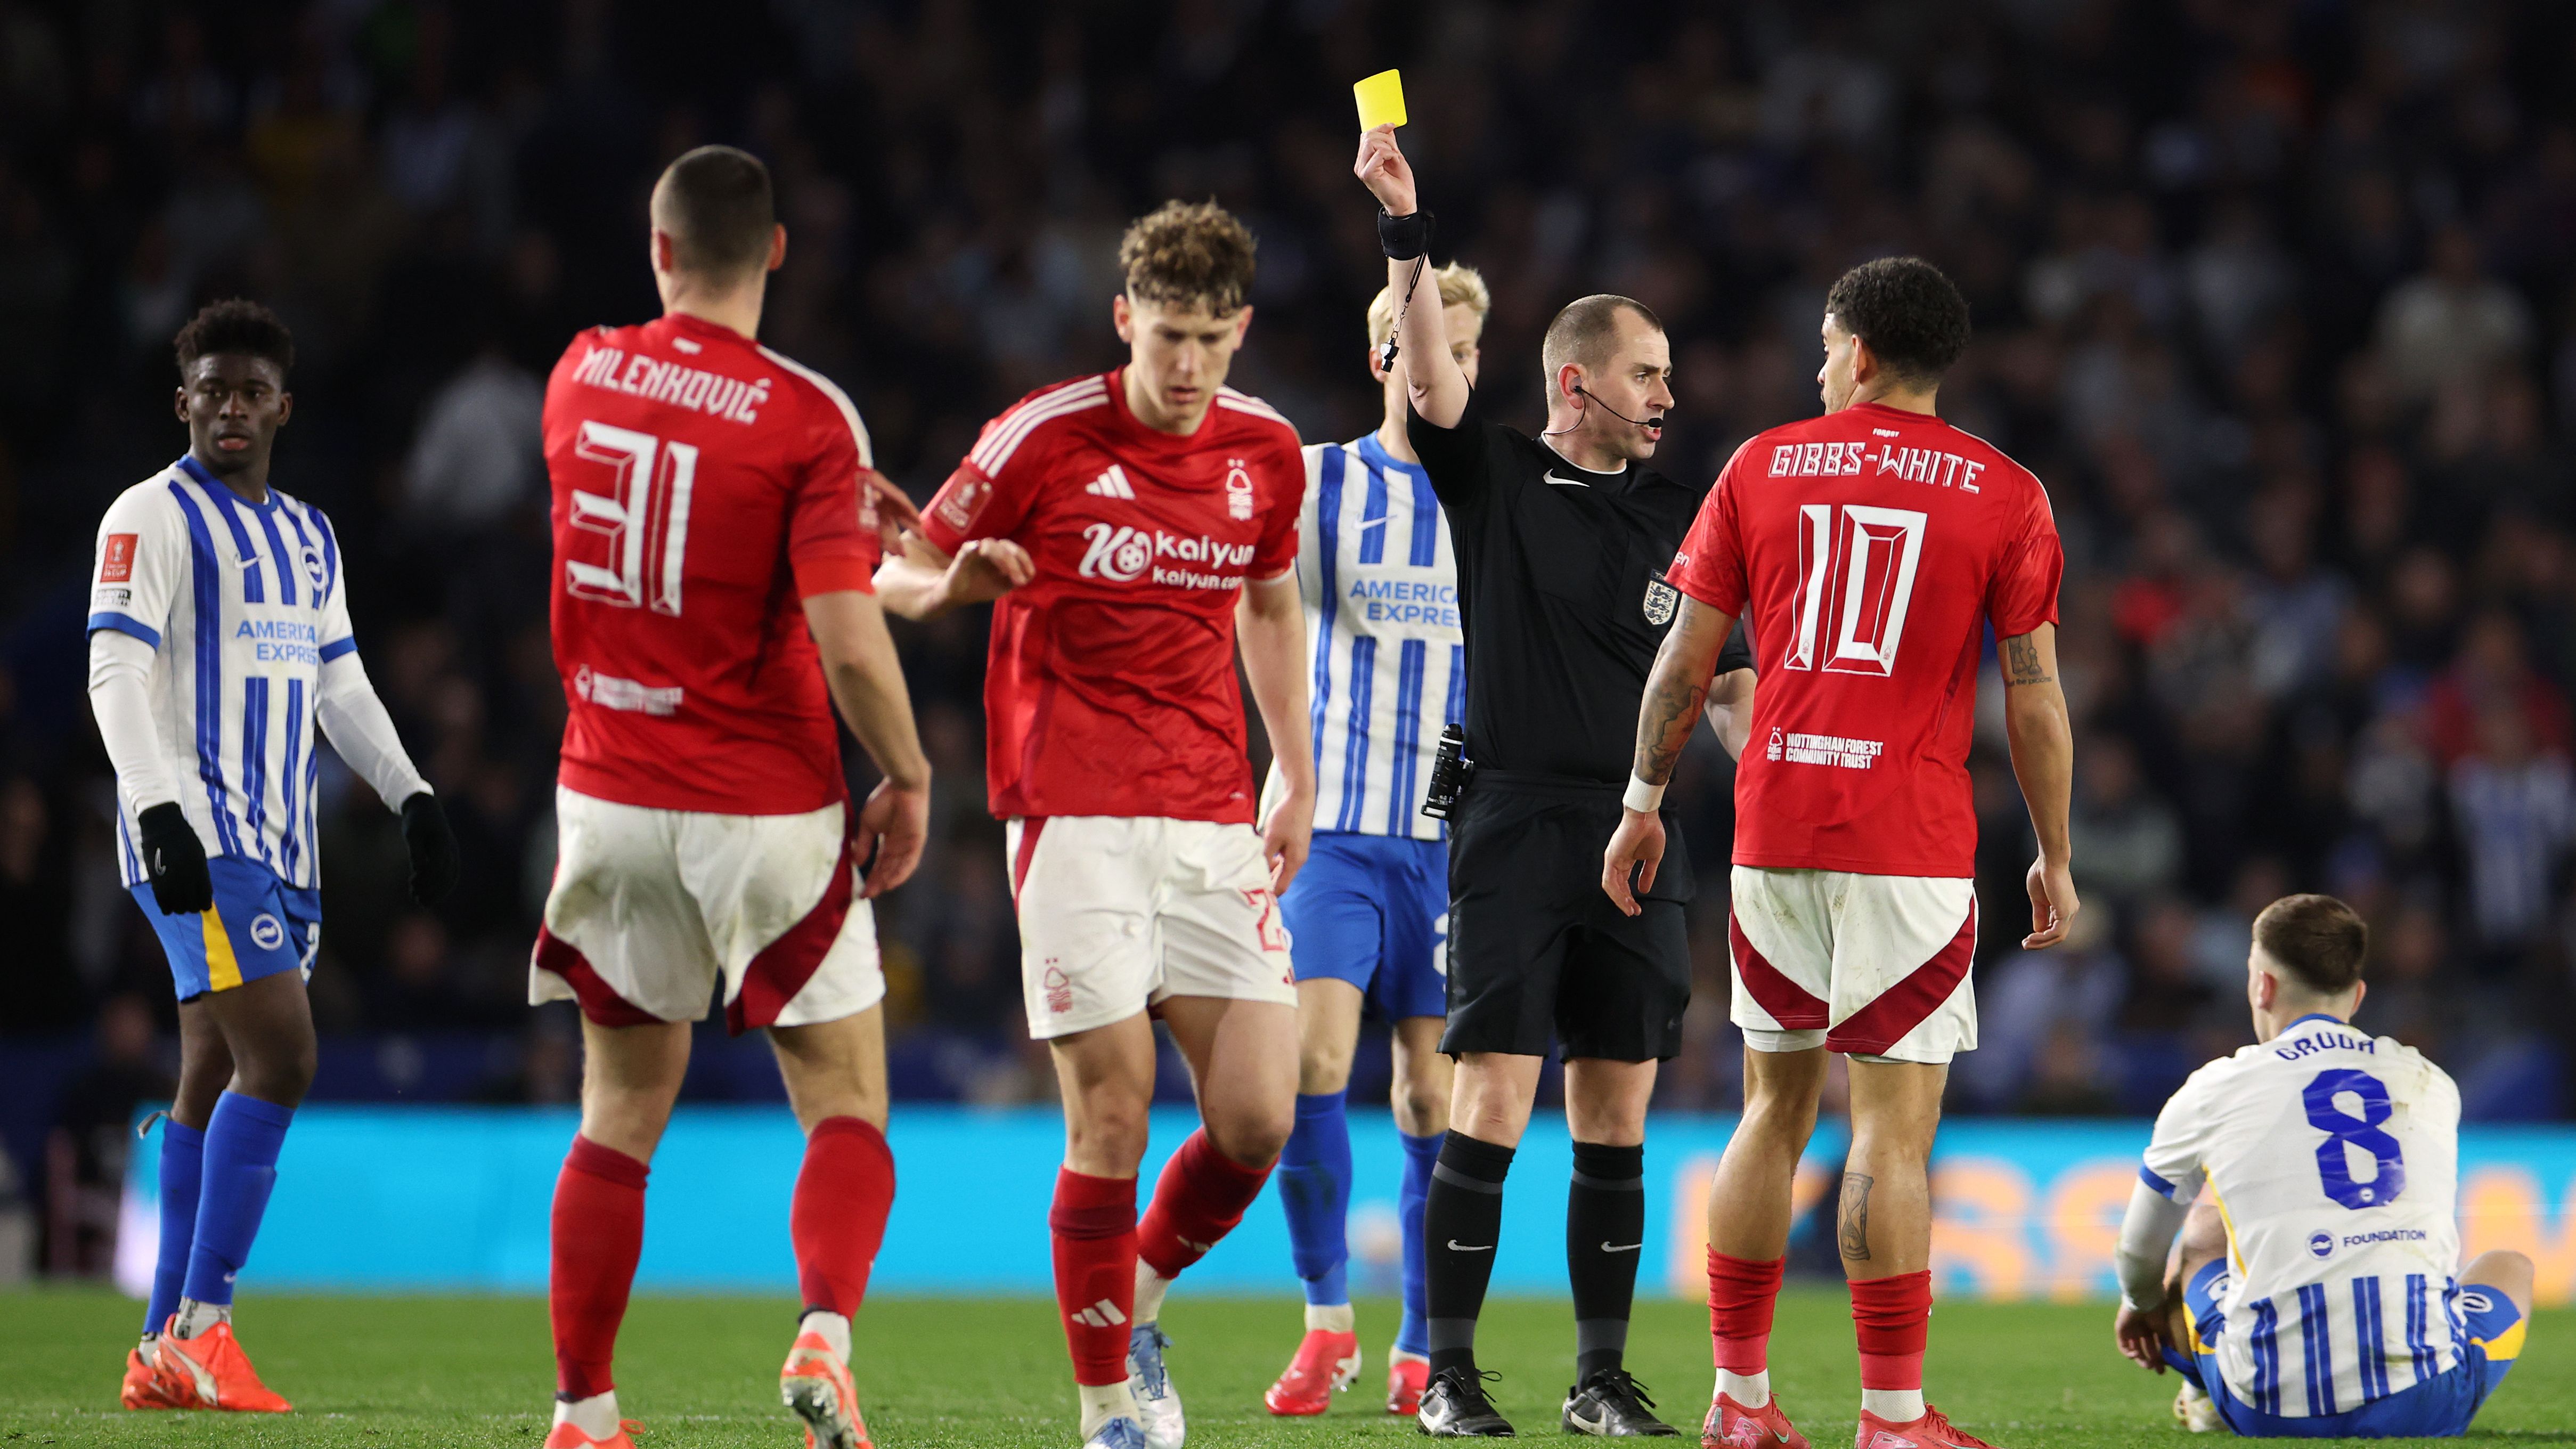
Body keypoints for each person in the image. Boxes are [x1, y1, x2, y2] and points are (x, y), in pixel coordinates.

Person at [1605, 256, 2075, 1449]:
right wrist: (2055, 852)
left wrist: (1643, 799)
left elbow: (1685, 664)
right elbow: (2034, 694)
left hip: (1776, 826)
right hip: (1910, 839)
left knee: (1772, 1108)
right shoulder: (2005, 491)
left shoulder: (1759, 465)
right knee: (1891, 1126)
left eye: (1825, 345)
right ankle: (1893, 1417)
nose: (1819, 367)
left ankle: (1740, 1403)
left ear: (1860, 353)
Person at [876, 199, 1315, 1449]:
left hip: (1213, 812)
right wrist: (947, 585)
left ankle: (1137, 1303)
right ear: (1123, 318)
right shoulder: (1039, 436)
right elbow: (890, 565)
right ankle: (1108, 1409)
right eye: (1166, 335)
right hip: (1070, 812)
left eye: (1211, 340)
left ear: (1240, 332)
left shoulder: (1266, 450)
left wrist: (1295, 770)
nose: (1186, 367)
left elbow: (1271, 607)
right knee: (1110, 1115)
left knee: (1254, 1119)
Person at [527, 145, 933, 1449]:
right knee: (844, 1099)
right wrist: (911, 772)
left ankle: (583, 1408)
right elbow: (845, 629)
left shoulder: (577, 373)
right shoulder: (807, 417)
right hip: (762, 800)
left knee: (617, 1114)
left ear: (657, 251)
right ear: (772, 251)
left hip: (606, 793)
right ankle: (822, 1331)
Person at [1354, 125, 1753, 1437]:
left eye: (1668, 375)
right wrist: (1405, 232)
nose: (1665, 394)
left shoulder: (1685, 517)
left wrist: (1795, 806)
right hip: (1516, 819)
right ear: (1572, 381)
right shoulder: (1496, 477)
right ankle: (1450, 1377)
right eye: (1645, 373)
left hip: (1638, 837)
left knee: (1616, 1112)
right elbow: (1422, 369)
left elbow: (1733, 690)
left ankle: (1595, 1377)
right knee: (1489, 1096)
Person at [88, 299, 456, 1413]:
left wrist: (412, 792)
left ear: (282, 406)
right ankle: (205, 1330)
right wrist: (158, 813)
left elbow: (339, 683)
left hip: (281, 842)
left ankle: (158, 1346)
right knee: (284, 1057)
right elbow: (114, 668)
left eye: (252, 391)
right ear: (183, 402)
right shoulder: (149, 515)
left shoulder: (308, 534)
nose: (231, 408)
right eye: (212, 390)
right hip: (198, 838)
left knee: (210, 1068)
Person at [1259, 263, 1486, 1420]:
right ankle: (1325, 1322)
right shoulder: (1317, 480)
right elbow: (1259, 627)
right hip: (1337, 828)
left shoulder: (1500, 497)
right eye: (1421, 341)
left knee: (1425, 1101)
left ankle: (1418, 1343)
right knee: (1307, 1065)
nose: (1444, 363)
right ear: (1382, 357)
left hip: (1450, 845)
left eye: (1464, 347)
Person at [2110, 894, 2533, 1437]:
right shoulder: (2432, 1083)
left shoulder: (2215, 1088)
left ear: (2262, 985)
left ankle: (2202, 1390)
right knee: (2511, 1265)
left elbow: (2139, 1247)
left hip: (2268, 1406)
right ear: (2356, 996)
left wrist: (2139, 1303)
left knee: (2201, 1230)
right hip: (2423, 1403)